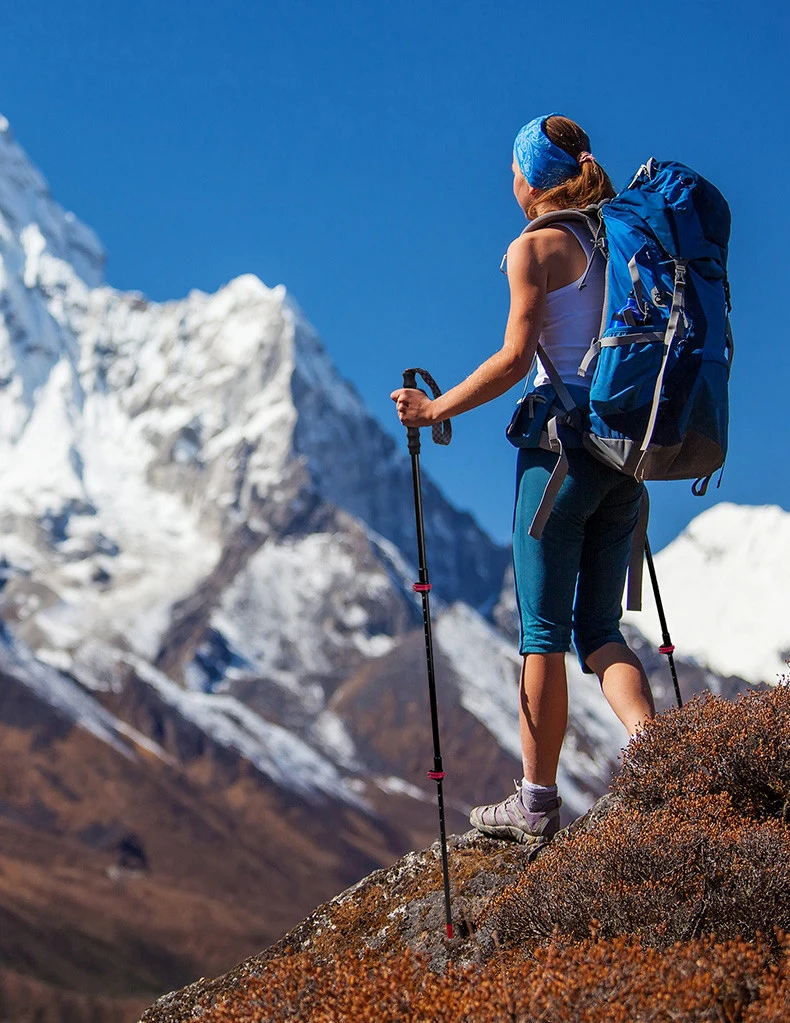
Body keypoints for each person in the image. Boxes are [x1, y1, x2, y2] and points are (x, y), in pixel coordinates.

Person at [390, 113, 655, 846]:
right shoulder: (618, 242)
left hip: (560, 459)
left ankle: (536, 800)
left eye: (513, 169)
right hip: (625, 460)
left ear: (528, 178)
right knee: (601, 629)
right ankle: (657, 755)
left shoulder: (535, 247)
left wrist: (434, 407)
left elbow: (515, 358)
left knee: (542, 633)